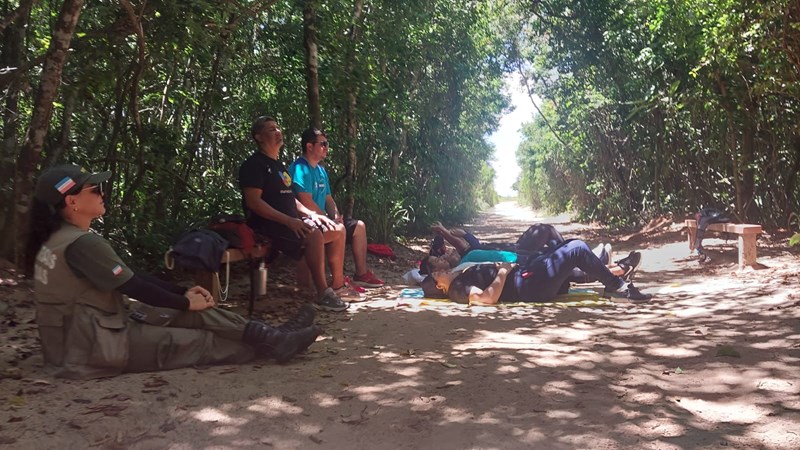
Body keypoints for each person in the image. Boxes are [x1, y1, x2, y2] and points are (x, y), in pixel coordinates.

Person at [27, 164, 321, 380]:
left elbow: (134, 277)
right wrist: (183, 301)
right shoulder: (81, 243)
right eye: (94, 189)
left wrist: (183, 294)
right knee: (199, 341)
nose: (102, 194)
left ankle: (274, 335)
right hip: (91, 346)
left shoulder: (62, 239)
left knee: (196, 313)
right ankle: (272, 342)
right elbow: (134, 287)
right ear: (72, 201)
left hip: (94, 331)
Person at [238, 116, 363, 312]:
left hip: (289, 222)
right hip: (267, 225)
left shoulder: (279, 167)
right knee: (313, 234)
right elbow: (254, 202)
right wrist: (288, 220)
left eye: (278, 128)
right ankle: (323, 292)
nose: (278, 132)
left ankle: (334, 285)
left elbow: (291, 199)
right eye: (271, 129)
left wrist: (312, 214)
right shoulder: (254, 165)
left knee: (334, 230)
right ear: (259, 137)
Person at [288, 128, 385, 288]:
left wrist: (335, 215)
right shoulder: (300, 168)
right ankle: (337, 283)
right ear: (309, 146)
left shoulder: (320, 170)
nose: (326, 147)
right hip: (308, 220)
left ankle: (361, 274)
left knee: (359, 226)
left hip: (324, 218)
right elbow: (305, 201)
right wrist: (327, 219)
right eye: (323, 144)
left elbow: (328, 198)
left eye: (327, 144)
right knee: (339, 229)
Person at [425, 239, 653, 305]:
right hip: (528, 285)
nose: (440, 270)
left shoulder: (459, 276)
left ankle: (618, 272)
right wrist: (503, 272)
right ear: (439, 286)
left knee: (565, 247)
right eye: (437, 274)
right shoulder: (456, 289)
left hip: (528, 275)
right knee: (577, 249)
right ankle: (618, 287)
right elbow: (487, 299)